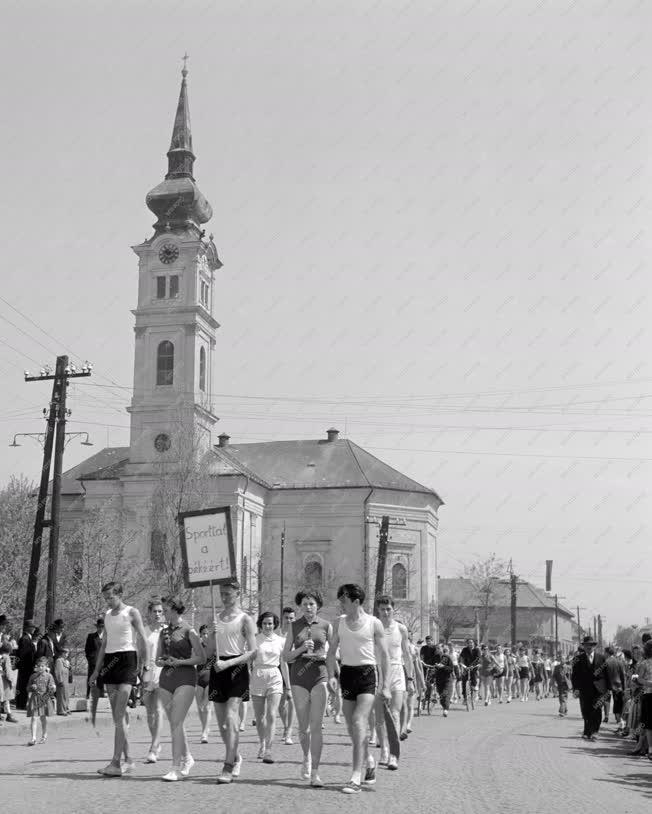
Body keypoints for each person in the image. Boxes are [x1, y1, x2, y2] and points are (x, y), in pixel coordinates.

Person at [328, 583, 390, 795]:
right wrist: (331, 676)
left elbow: (384, 657)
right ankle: (369, 760)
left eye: (344, 600)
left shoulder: (374, 624)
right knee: (352, 728)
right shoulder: (339, 623)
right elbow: (330, 653)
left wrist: (386, 685)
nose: (341, 604)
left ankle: (355, 776)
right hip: (347, 674)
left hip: (367, 675)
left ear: (356, 601)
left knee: (358, 721)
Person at [89, 581, 148, 777]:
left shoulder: (132, 612)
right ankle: (128, 759)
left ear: (120, 594)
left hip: (127, 661)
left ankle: (115, 763)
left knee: (120, 714)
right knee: (117, 717)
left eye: (111, 597)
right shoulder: (106, 616)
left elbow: (142, 638)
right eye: (105, 598)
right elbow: (104, 643)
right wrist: (97, 671)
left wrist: (144, 666)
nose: (107, 601)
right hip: (110, 664)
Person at [205, 578, 257, 785]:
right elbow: (209, 650)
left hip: (236, 667)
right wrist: (211, 634)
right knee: (221, 724)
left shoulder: (245, 619)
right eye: (222, 593)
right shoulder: (215, 618)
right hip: (218, 668)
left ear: (237, 594)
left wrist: (230, 664)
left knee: (230, 718)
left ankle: (227, 765)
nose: (224, 597)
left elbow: (253, 652)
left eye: (228, 593)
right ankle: (235, 755)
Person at [282, 589, 332, 787]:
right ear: (300, 607)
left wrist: (328, 661)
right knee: (303, 728)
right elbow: (286, 657)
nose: (308, 607)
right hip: (299, 677)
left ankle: (316, 772)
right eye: (304, 604)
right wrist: (302, 648)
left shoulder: (326, 626)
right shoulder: (294, 626)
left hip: (320, 675)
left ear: (317, 605)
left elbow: (334, 654)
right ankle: (306, 757)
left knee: (316, 725)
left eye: (311, 604)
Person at [156, 596, 204, 781]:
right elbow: (157, 659)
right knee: (175, 723)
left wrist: (180, 662)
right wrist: (162, 661)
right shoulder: (163, 632)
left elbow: (201, 658)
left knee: (176, 722)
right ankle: (188, 758)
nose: (163, 613)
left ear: (175, 610)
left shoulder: (189, 630)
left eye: (166, 610)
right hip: (166, 678)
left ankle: (175, 767)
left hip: (185, 677)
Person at [374, 596, 414, 767]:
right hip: (378, 672)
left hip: (397, 671)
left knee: (395, 713)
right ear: (378, 610)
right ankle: (383, 750)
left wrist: (410, 679)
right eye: (382, 609)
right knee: (380, 717)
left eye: (388, 609)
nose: (385, 612)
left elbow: (407, 655)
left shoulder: (401, 629)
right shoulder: (372, 627)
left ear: (393, 609)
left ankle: (393, 754)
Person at [251, 611, 289, 764]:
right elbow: (248, 660)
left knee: (272, 714)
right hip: (258, 675)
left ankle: (269, 749)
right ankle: (262, 743)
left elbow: (284, 663)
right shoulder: (254, 640)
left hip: (275, 674)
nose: (268, 626)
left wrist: (289, 685)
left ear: (275, 625)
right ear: (260, 624)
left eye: (271, 623)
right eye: (265, 623)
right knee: (260, 718)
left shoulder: (281, 641)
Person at [571, 635, 608, 741]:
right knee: (586, 710)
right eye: (586, 645)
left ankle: (595, 731)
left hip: (599, 690)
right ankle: (587, 731)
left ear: (594, 646)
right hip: (584, 689)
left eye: (591, 645)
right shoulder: (578, 659)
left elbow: (606, 674)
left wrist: (609, 688)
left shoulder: (601, 658)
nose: (589, 647)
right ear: (583, 646)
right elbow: (575, 676)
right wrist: (576, 689)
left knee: (596, 710)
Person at [142, 598, 165, 763]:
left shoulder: (167, 631)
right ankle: (156, 742)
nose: (157, 614)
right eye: (154, 611)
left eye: (160, 611)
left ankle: (153, 746)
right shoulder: (144, 631)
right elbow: (139, 654)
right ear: (149, 613)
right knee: (149, 713)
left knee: (158, 709)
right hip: (147, 673)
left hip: (163, 673)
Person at [26, 656, 56, 746]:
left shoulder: (49, 676)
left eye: (42, 666)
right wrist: (31, 687)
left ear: (46, 666)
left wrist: (53, 688)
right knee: (34, 718)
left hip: (44, 699)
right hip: (35, 699)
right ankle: (33, 738)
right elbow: (27, 688)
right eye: (38, 666)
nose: (40, 668)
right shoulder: (33, 676)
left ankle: (44, 735)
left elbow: (53, 689)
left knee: (43, 718)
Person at [278, 606, 296, 744]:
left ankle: (289, 730)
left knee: (292, 701)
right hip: (280, 668)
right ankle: (285, 726)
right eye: (286, 618)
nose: (289, 620)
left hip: (295, 668)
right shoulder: (277, 634)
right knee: (280, 705)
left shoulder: (298, 634)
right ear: (282, 618)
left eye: (291, 618)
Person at [632, 639, 652, 759]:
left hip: (648, 695)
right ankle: (647, 748)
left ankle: (649, 749)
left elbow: (638, 679)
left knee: (648, 723)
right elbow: (639, 679)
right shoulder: (644, 664)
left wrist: (647, 683)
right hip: (648, 694)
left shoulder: (643, 663)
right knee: (647, 723)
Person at [195, 624, 213, 744]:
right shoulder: (197, 647)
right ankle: (204, 728)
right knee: (200, 707)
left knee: (207, 706)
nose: (205, 636)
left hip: (212, 679)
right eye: (203, 634)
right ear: (200, 635)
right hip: (198, 678)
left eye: (207, 633)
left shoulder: (214, 647)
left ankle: (205, 732)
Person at [15, 619, 37, 711]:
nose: (33, 629)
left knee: (24, 685)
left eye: (33, 627)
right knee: (23, 685)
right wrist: (24, 666)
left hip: (28, 666)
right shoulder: (25, 639)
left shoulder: (28, 638)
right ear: (27, 628)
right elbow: (23, 654)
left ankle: (22, 703)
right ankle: (21, 704)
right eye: (31, 627)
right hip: (25, 667)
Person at [603, 645, 626, 733]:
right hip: (618, 687)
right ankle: (620, 725)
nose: (604, 654)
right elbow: (622, 676)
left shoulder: (605, 662)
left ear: (607, 653)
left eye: (605, 652)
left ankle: (607, 716)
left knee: (608, 702)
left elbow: (603, 676)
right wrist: (624, 688)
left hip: (608, 687)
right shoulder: (619, 662)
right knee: (618, 706)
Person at [84, 619, 105, 699]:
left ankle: (101, 695)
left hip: (103, 663)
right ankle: (88, 694)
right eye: (99, 627)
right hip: (93, 662)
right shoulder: (91, 636)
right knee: (91, 678)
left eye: (102, 627)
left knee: (101, 679)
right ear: (97, 627)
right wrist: (90, 660)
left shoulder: (106, 637)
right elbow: (87, 650)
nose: (100, 628)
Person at [434, 644, 455, 717]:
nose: (437, 650)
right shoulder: (435, 657)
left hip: (447, 679)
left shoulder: (446, 657)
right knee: (441, 696)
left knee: (445, 693)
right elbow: (432, 666)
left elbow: (451, 669)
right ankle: (444, 708)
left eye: (439, 648)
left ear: (442, 649)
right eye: (436, 648)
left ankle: (446, 710)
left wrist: (443, 667)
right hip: (438, 679)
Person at [459, 638, 481, 708]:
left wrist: (474, 666)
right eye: (468, 643)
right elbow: (461, 658)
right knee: (464, 681)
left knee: (474, 680)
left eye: (471, 643)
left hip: (474, 667)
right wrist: (463, 666)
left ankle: (475, 694)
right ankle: (465, 698)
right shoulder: (464, 650)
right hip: (466, 667)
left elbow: (478, 659)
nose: (470, 644)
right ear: (467, 644)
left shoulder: (477, 650)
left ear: (474, 643)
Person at [0, 641, 16, 722]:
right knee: (6, 699)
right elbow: (8, 671)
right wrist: (11, 680)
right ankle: (9, 715)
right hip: (4, 681)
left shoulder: (1, 656)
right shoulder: (7, 657)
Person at [53, 647, 71, 716]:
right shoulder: (59, 661)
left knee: (66, 695)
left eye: (67, 653)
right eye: (65, 653)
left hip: (66, 680)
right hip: (61, 680)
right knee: (61, 696)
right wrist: (59, 680)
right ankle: (61, 710)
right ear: (62, 653)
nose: (67, 654)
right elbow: (58, 671)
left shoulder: (67, 661)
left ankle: (66, 708)